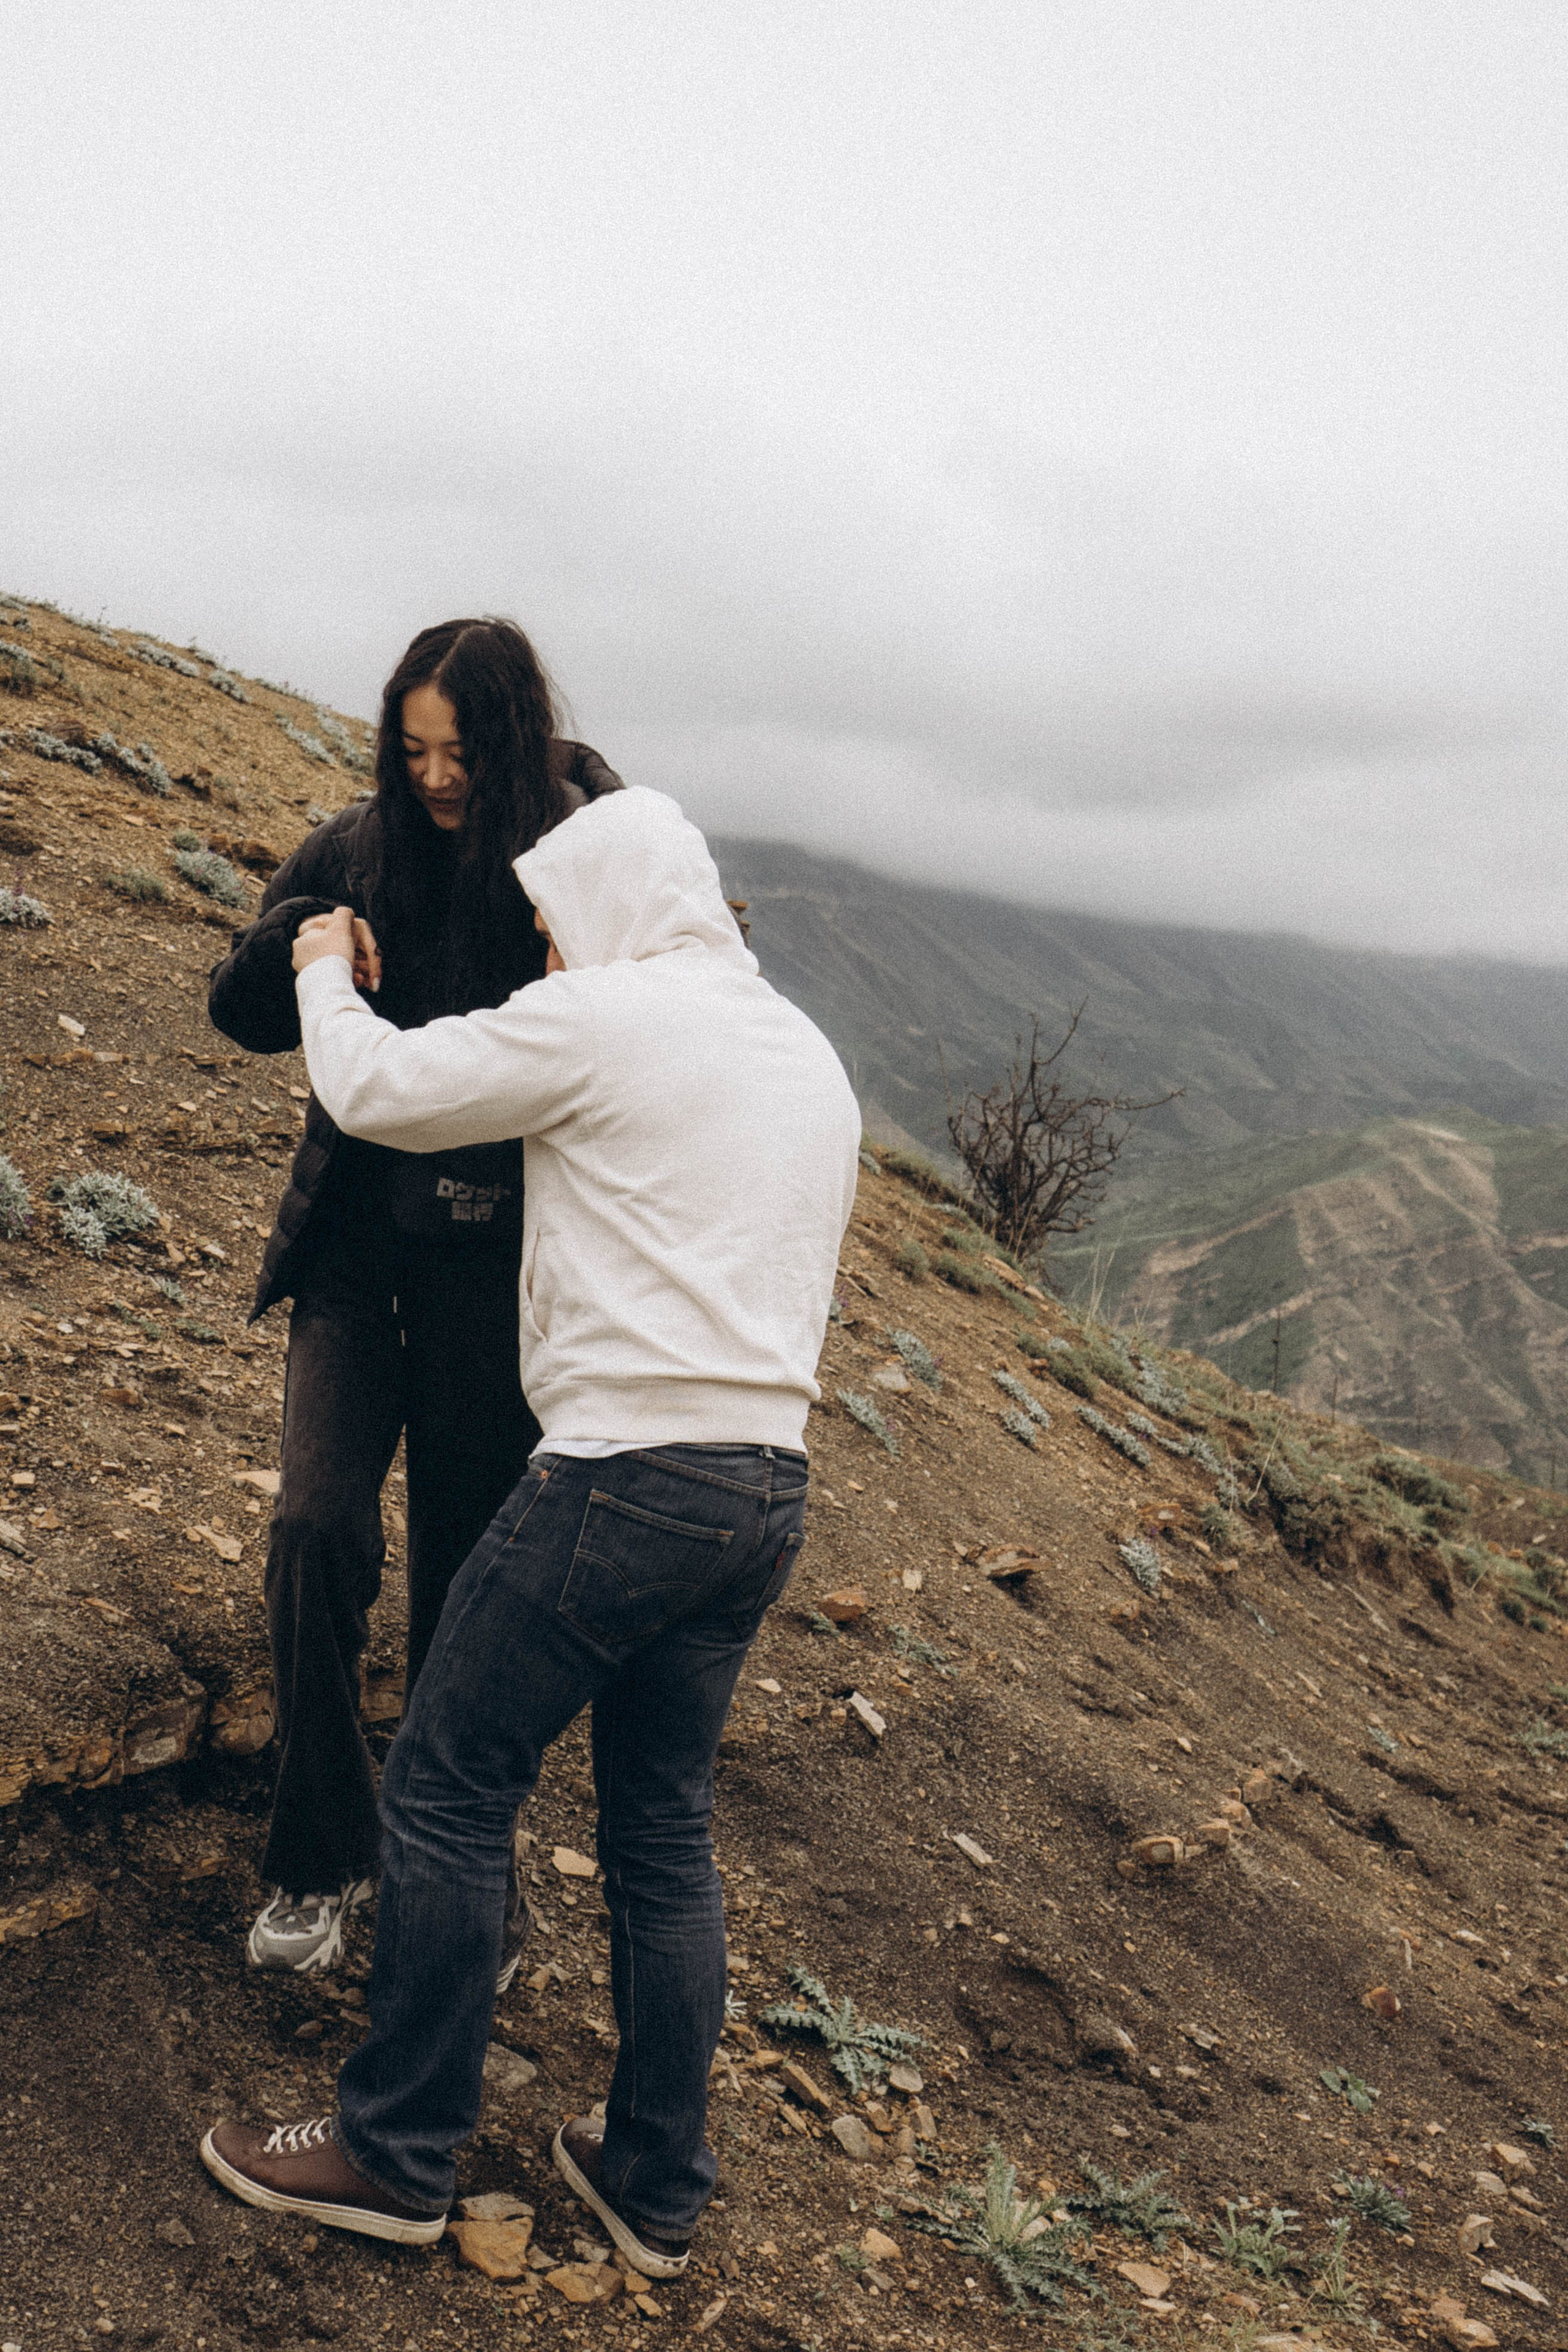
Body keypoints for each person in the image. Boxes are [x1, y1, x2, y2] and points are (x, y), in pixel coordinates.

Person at [198, 785, 860, 2275]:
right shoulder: (804, 1055)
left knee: (440, 1783)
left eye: (557, 924)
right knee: (660, 1835)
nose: (549, 956)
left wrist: (313, 960)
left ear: (615, 906)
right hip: (766, 1490)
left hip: (621, 1477)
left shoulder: (614, 1018)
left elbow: (374, 1090)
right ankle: (654, 2184)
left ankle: (395, 2152)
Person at [208, 617, 621, 1975]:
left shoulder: (575, 851)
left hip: (496, 1280)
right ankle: (317, 1855)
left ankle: (461, 1874)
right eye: (411, 745)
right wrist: (297, 944)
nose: (432, 775)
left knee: (464, 1581)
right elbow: (240, 1008)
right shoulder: (352, 846)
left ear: (511, 740)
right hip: (352, 1258)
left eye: (458, 750)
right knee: (316, 1531)